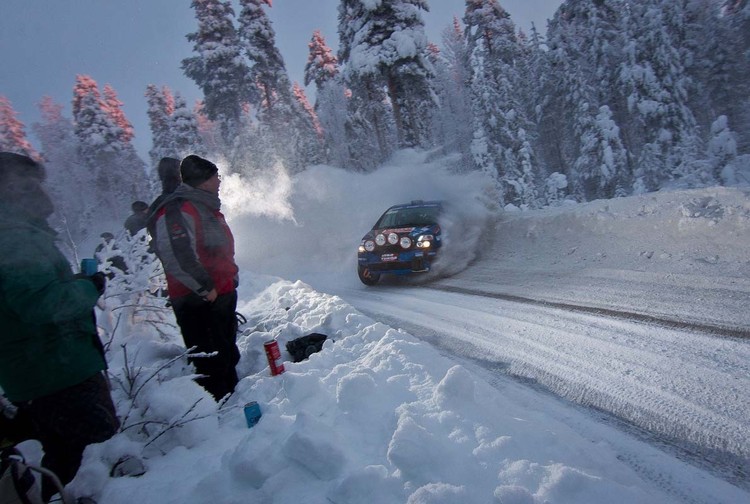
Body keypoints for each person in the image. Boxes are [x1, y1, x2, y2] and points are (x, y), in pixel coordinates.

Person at [0, 152, 119, 501]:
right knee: (89, 458)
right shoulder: (14, 237)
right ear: (11, 188)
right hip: (56, 371)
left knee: (67, 458)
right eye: (30, 183)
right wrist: (88, 286)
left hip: (47, 369)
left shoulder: (20, 234)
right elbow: (41, 304)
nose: (41, 191)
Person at [147, 155, 240, 401]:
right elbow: (177, 255)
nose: (218, 181)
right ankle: (216, 411)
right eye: (214, 177)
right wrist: (205, 288)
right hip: (198, 300)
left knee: (226, 352)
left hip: (221, 294)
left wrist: (231, 276)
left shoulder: (205, 206)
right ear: (202, 181)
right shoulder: (178, 209)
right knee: (210, 360)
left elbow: (217, 249)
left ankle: (233, 399)